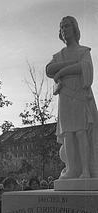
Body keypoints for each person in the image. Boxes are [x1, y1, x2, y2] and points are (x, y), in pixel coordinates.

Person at [46, 16, 98, 179]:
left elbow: (86, 68)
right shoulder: (59, 55)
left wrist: (61, 73)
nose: (64, 30)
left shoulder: (83, 51)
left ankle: (85, 170)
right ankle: (72, 169)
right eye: (62, 27)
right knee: (68, 133)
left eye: (67, 26)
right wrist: (69, 66)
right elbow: (49, 70)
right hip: (65, 96)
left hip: (80, 95)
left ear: (74, 28)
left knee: (82, 132)